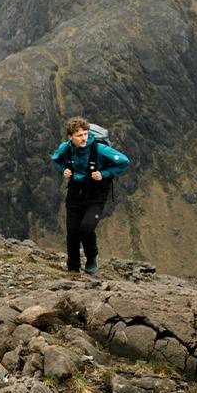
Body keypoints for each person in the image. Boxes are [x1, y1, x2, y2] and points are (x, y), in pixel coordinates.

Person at [49, 117, 130, 275]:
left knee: (86, 229)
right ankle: (73, 269)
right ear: (70, 137)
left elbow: (124, 161)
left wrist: (105, 173)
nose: (84, 138)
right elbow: (56, 160)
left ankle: (92, 258)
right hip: (75, 193)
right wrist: (63, 170)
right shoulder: (65, 148)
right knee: (72, 233)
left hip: (96, 194)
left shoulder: (99, 149)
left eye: (85, 134)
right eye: (79, 135)